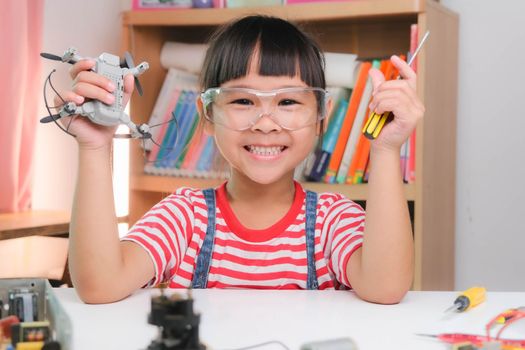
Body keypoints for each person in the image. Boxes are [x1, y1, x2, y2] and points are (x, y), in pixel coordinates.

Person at [60, 15, 423, 304]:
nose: (265, 123)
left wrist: (387, 149)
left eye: (288, 101)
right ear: (207, 115)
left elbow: (386, 288)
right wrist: (94, 148)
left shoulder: (333, 220)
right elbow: (101, 286)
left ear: (321, 118)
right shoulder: (184, 217)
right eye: (243, 101)